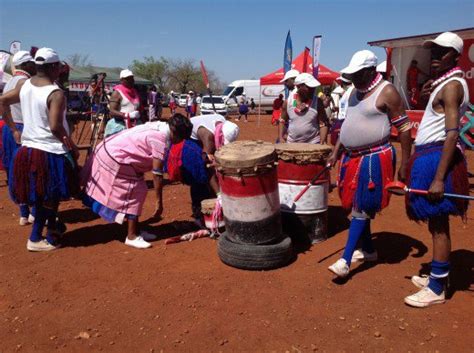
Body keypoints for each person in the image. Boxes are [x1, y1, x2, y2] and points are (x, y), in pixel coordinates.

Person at [326, 50, 412, 277]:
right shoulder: (354, 91)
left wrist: (405, 163)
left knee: (361, 205)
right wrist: (336, 152)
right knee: (356, 203)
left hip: (374, 158)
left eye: (358, 73)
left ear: (371, 71)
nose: (353, 78)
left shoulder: (388, 92)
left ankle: (345, 260)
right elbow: (347, 124)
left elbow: (404, 129)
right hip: (351, 157)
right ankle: (369, 249)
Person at [403, 32, 469, 308]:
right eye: (434, 51)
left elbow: (452, 134)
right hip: (429, 155)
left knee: (439, 224)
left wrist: (440, 178)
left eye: (443, 52)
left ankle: (437, 288)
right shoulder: (445, 84)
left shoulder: (452, 86)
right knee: (435, 221)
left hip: (436, 157)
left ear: (455, 55)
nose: (435, 57)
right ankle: (438, 272)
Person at [0, 47, 79, 252]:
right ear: (54, 68)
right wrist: (71, 145)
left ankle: (52, 227)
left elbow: (2, 101)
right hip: (49, 151)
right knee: (49, 196)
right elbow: (55, 126)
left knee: (44, 194)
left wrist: (13, 128)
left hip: (28, 149)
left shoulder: (26, 86)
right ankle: (35, 238)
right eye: (59, 68)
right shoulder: (55, 93)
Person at [82, 114, 190, 249]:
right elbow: (157, 173)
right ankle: (131, 236)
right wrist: (159, 202)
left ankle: (136, 230)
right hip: (116, 156)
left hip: (112, 150)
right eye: (180, 139)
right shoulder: (161, 138)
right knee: (136, 191)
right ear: (176, 133)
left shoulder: (160, 126)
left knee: (137, 188)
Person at [167, 113, 239, 225]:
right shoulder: (208, 135)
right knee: (200, 176)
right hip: (188, 140)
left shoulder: (222, 122)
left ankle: (215, 203)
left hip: (199, 140)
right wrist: (219, 194)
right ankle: (199, 214)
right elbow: (208, 165)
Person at [1, 51, 37, 225]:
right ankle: (34, 211)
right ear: (26, 65)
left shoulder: (10, 82)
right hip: (22, 128)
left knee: (15, 171)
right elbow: (3, 102)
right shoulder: (25, 82)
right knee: (31, 170)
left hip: (12, 128)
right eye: (32, 63)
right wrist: (16, 129)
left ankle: (24, 212)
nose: (34, 66)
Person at [279, 73, 329, 144]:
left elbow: (323, 124)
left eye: (313, 87)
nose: (313, 90)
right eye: (309, 87)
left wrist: (322, 141)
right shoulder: (288, 102)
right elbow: (282, 121)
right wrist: (281, 137)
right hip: (292, 143)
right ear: (298, 87)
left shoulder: (318, 102)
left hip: (313, 142)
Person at [104, 69, 141, 137]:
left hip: (135, 125)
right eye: (128, 79)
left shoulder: (135, 92)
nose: (131, 80)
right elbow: (112, 111)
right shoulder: (117, 93)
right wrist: (127, 115)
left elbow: (138, 107)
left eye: (132, 78)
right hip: (121, 126)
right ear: (121, 80)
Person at [330, 76, 354, 145]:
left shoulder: (351, 91)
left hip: (345, 121)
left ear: (342, 82)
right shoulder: (347, 92)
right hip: (341, 120)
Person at [278, 69, 299, 141]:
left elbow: (294, 108)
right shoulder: (293, 93)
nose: (285, 83)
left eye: (286, 81)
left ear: (294, 79)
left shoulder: (296, 93)